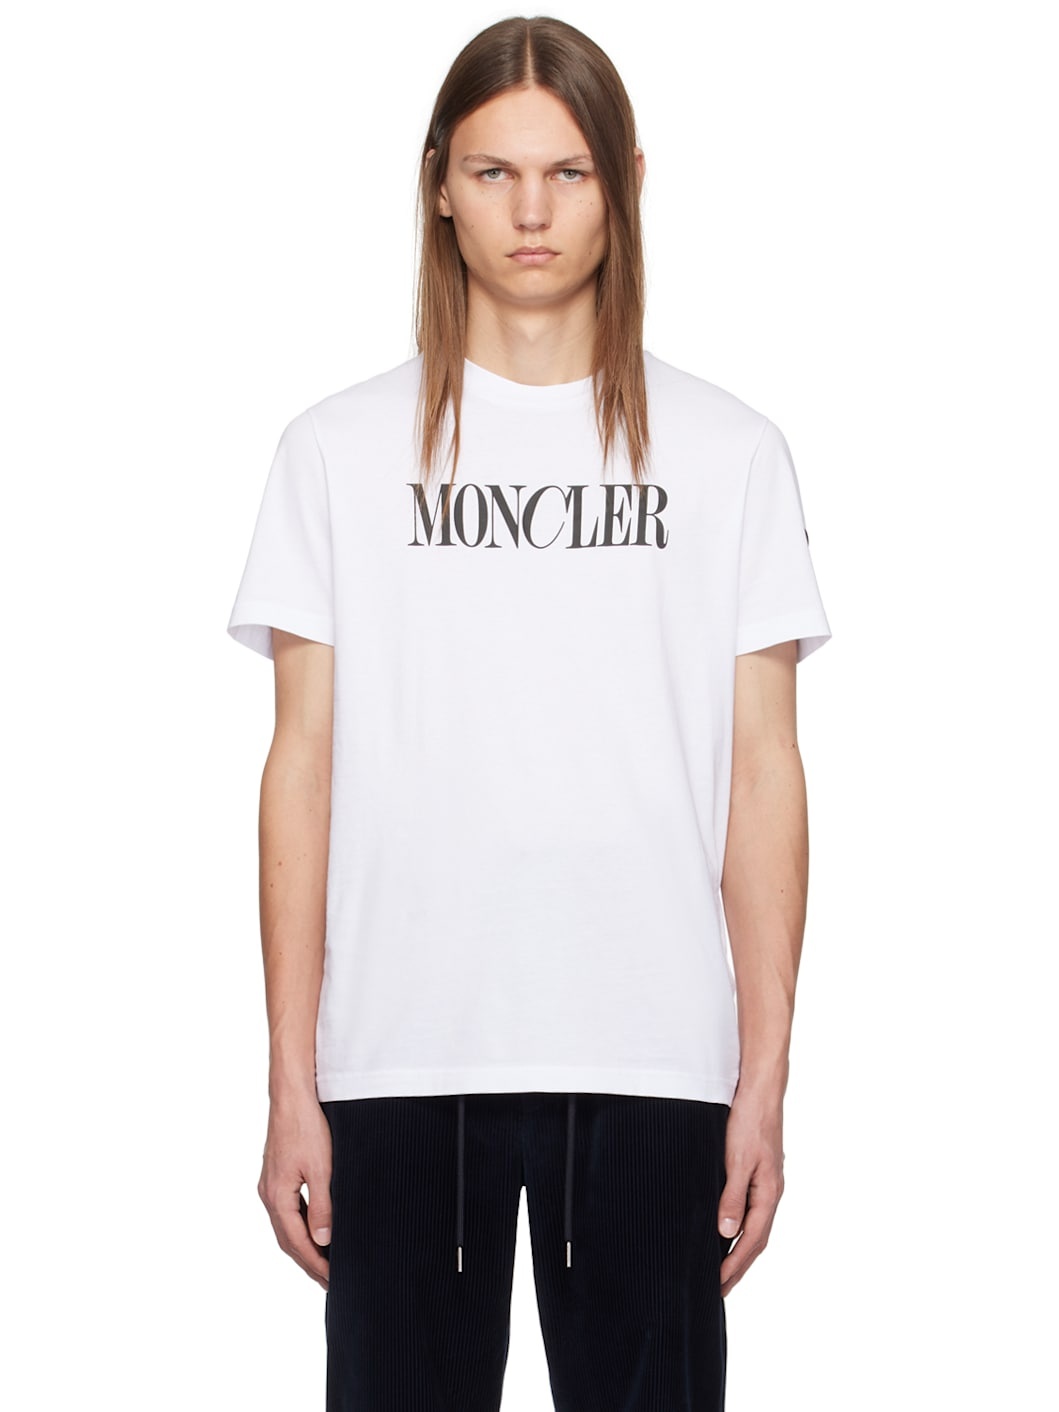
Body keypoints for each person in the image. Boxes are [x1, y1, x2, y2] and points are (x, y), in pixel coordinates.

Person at [226, 15, 831, 1411]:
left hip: (652, 1054)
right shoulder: (335, 453)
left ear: (625, 180)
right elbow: (300, 770)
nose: (533, 212)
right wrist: (289, 1079)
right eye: (494, 172)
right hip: (400, 1054)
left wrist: (765, 1076)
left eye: (568, 171)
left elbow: (764, 776)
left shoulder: (734, 455)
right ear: (440, 184)